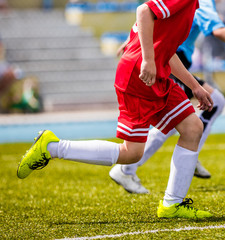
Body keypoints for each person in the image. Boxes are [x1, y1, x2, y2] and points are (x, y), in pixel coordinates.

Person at [17, 0, 214, 219]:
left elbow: (165, 50)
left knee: (193, 128)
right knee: (131, 153)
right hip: (139, 77)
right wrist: (148, 59)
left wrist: (195, 86)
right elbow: (144, 11)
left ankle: (172, 204)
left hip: (156, 74)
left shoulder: (193, 4)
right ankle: (52, 148)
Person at [109, 0, 225, 194]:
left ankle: (178, 157)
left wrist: (135, 41)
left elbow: (152, 16)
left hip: (169, 59)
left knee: (189, 115)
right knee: (191, 115)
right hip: (171, 61)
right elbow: (217, 30)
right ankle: (129, 167)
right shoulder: (201, 2)